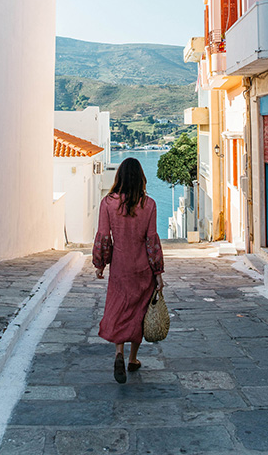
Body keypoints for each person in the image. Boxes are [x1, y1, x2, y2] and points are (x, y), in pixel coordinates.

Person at [92, 157, 164, 383]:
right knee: (138, 313)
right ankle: (133, 359)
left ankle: (119, 353)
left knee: (120, 308)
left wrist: (100, 264)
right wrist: (158, 272)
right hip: (142, 268)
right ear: (140, 177)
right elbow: (151, 240)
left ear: (119, 177)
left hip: (120, 268)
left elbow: (104, 237)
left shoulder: (107, 203)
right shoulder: (149, 204)